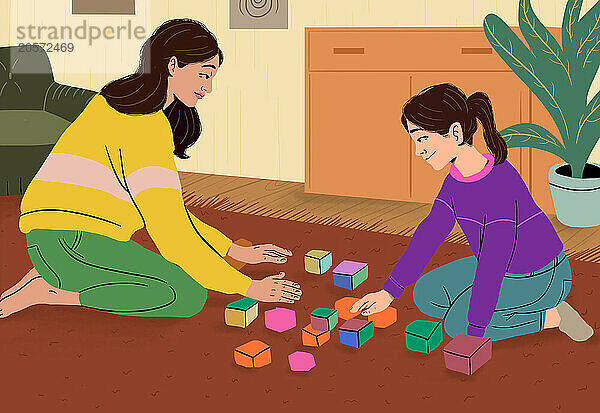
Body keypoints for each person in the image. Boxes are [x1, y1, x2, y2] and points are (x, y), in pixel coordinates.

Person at [0, 18, 302, 319]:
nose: (208, 88)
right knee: (186, 294)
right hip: (70, 243)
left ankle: (56, 275)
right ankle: (55, 292)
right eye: (204, 74)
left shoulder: (117, 104)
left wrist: (234, 251)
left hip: (55, 239)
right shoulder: (145, 125)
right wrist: (248, 287)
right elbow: (172, 234)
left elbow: (173, 213)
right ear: (172, 65)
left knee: (171, 276)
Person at [351, 83, 593, 342]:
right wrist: (388, 292)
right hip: (499, 267)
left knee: (458, 325)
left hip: (543, 275)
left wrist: (475, 332)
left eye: (422, 139)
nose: (418, 151)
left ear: (455, 133)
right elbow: (428, 236)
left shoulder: (501, 184)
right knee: (425, 295)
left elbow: (493, 262)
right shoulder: (454, 182)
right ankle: (495, 312)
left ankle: (553, 317)